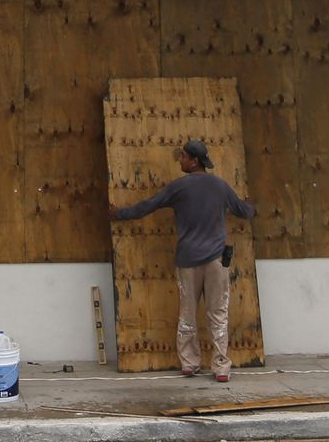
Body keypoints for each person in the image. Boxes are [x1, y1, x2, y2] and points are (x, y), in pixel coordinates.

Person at [107, 139, 255, 383]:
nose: (180, 160)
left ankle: (190, 363)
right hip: (216, 261)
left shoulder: (178, 187)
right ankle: (221, 367)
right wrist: (251, 206)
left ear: (193, 161)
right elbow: (242, 210)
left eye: (183, 157)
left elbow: (147, 206)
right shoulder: (220, 186)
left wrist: (118, 214)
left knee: (187, 314)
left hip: (188, 260)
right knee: (218, 314)